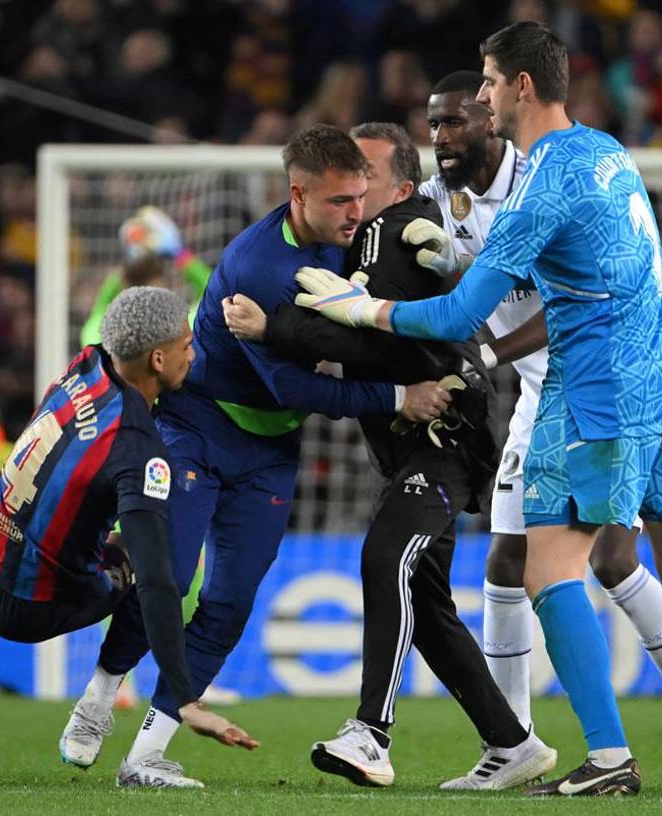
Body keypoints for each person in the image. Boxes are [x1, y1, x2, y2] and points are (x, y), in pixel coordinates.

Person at [295, 22, 662, 795]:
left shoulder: (540, 185)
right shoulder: (606, 151)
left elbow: (454, 321)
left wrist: (362, 308)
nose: (480, 95)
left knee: (547, 570)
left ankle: (610, 759)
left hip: (597, 393)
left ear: (520, 87)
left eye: (486, 81)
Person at [58, 125, 453, 788]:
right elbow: (291, 385)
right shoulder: (258, 267)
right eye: (339, 203)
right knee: (172, 574)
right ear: (297, 195)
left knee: (232, 600)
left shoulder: (359, 243)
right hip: (201, 424)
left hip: (271, 450)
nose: (356, 214)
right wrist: (395, 396)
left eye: (360, 197)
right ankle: (100, 693)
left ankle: (147, 753)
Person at [223, 122, 555, 790]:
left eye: (365, 174)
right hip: (421, 440)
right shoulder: (388, 236)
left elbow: (369, 343)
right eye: (344, 176)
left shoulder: (387, 231)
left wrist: (275, 326)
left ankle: (370, 733)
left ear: (400, 186)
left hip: (443, 436)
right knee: (428, 607)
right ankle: (512, 743)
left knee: (383, 556)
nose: (353, 185)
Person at [415, 69, 662, 789]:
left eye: (457, 118)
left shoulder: (541, 180)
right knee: (508, 564)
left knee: (609, 560)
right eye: (433, 126)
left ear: (493, 114)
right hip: (541, 396)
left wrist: (484, 347)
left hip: (591, 383)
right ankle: (513, 742)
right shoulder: (436, 203)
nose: (443, 136)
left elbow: (567, 298)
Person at [0, 288, 255, 787]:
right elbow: (156, 581)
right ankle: (98, 704)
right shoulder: (139, 450)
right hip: (29, 602)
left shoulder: (84, 364)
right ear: (157, 357)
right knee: (159, 560)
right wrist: (185, 696)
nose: (193, 355)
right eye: (187, 345)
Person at [80, 205, 213, 346]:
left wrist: (130, 264)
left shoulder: (105, 334)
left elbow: (100, 310)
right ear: (165, 286)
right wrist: (179, 254)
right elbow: (213, 292)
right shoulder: (183, 330)